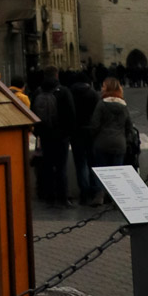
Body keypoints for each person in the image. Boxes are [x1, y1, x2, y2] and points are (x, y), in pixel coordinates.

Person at [32, 68, 75, 206]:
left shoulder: (38, 92)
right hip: (61, 136)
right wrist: (68, 133)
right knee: (61, 167)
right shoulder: (63, 91)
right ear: (57, 75)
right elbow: (71, 114)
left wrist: (38, 132)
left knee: (48, 166)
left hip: (45, 136)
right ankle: (63, 197)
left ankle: (49, 197)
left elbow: (33, 114)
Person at [89, 76, 136, 170]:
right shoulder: (123, 106)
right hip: (119, 144)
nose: (101, 88)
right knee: (117, 175)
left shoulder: (101, 104)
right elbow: (129, 127)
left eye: (103, 86)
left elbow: (94, 125)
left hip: (102, 144)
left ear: (108, 88)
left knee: (103, 175)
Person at [68, 71, 101, 205]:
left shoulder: (70, 93)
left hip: (76, 132)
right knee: (93, 162)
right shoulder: (93, 94)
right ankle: (95, 191)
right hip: (91, 132)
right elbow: (97, 114)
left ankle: (84, 192)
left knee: (80, 163)